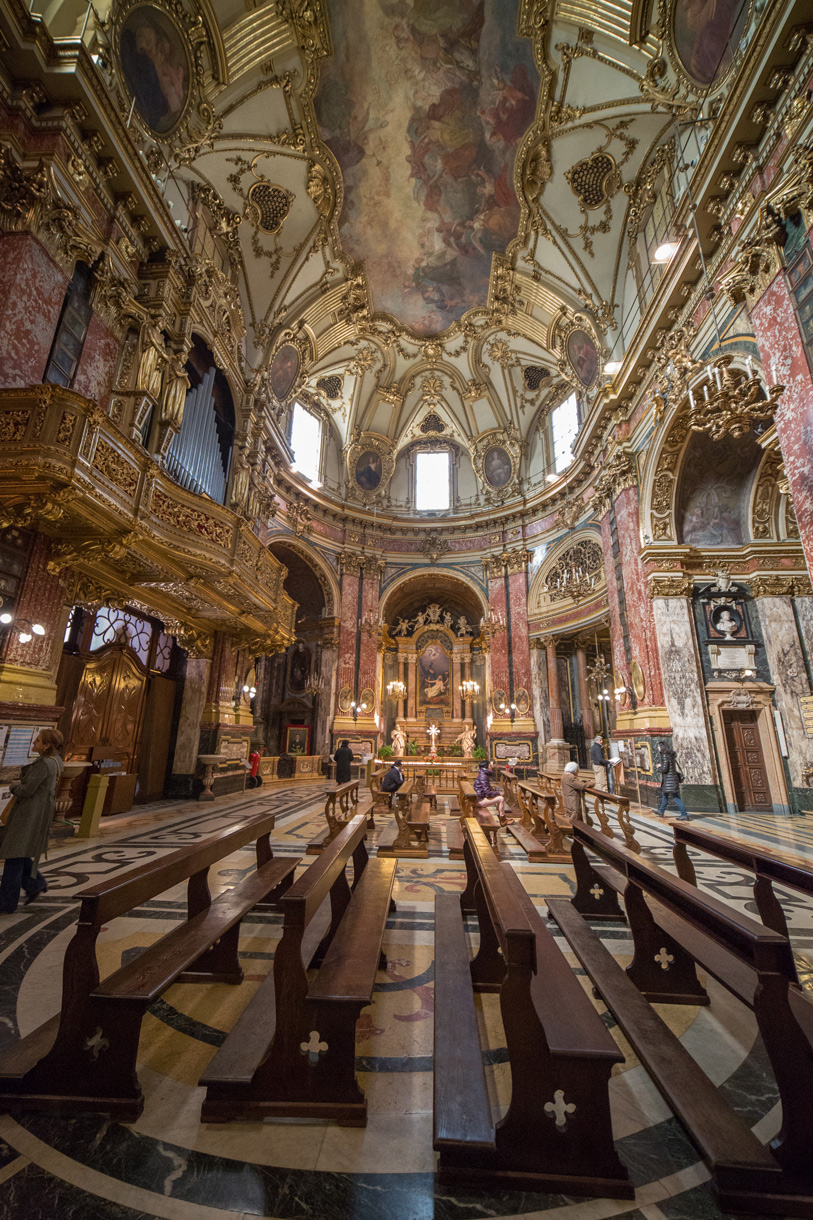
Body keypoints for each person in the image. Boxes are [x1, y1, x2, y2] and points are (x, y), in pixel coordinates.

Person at [0, 729, 63, 914]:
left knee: (13, 856)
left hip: (28, 814)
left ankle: (6, 902)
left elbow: (27, 790)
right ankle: (35, 884)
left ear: (47, 745)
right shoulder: (56, 761)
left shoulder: (44, 764)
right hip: (37, 813)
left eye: (38, 741)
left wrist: (13, 786)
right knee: (18, 852)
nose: (34, 743)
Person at [473, 760, 514, 826]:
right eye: (490, 765)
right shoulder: (484, 776)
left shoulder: (482, 774)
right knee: (501, 799)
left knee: (499, 797)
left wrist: (495, 792)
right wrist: (497, 793)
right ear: (486, 766)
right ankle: (503, 820)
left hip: (478, 798)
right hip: (480, 801)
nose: (492, 767)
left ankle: (502, 816)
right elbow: (487, 793)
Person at [657, 744, 690, 820]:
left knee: (676, 798)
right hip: (670, 780)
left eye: (658, 746)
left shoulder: (664, 755)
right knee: (665, 795)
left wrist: (659, 767)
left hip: (669, 781)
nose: (658, 748)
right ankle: (661, 811)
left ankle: (684, 814)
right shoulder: (670, 755)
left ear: (662, 747)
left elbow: (665, 769)